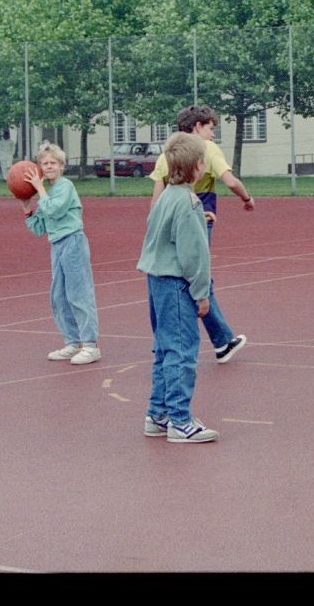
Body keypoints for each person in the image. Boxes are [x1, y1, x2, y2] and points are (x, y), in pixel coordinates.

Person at [149, 105, 255, 364]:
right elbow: (230, 181)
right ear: (197, 126)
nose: (212, 134)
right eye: (210, 127)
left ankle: (165, 340)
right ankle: (219, 342)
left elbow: (156, 199)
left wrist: (155, 226)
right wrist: (247, 197)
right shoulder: (206, 150)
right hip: (196, 217)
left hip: (167, 219)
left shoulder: (168, 153)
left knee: (168, 276)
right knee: (198, 277)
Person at [138, 132, 218, 443]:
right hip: (176, 284)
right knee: (182, 350)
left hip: (156, 279)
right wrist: (201, 293)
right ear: (198, 166)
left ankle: (158, 414)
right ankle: (180, 420)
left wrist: (198, 216)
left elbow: (162, 231)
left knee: (164, 348)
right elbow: (193, 256)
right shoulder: (188, 203)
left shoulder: (167, 198)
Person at [21, 142, 101, 365]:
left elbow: (54, 210)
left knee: (79, 293)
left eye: (53, 163)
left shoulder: (64, 187)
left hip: (73, 241)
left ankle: (90, 345)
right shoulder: (45, 193)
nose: (48, 167)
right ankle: (73, 342)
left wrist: (39, 190)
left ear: (62, 166)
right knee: (59, 296)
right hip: (56, 245)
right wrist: (27, 207)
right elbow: (38, 228)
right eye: (44, 163)